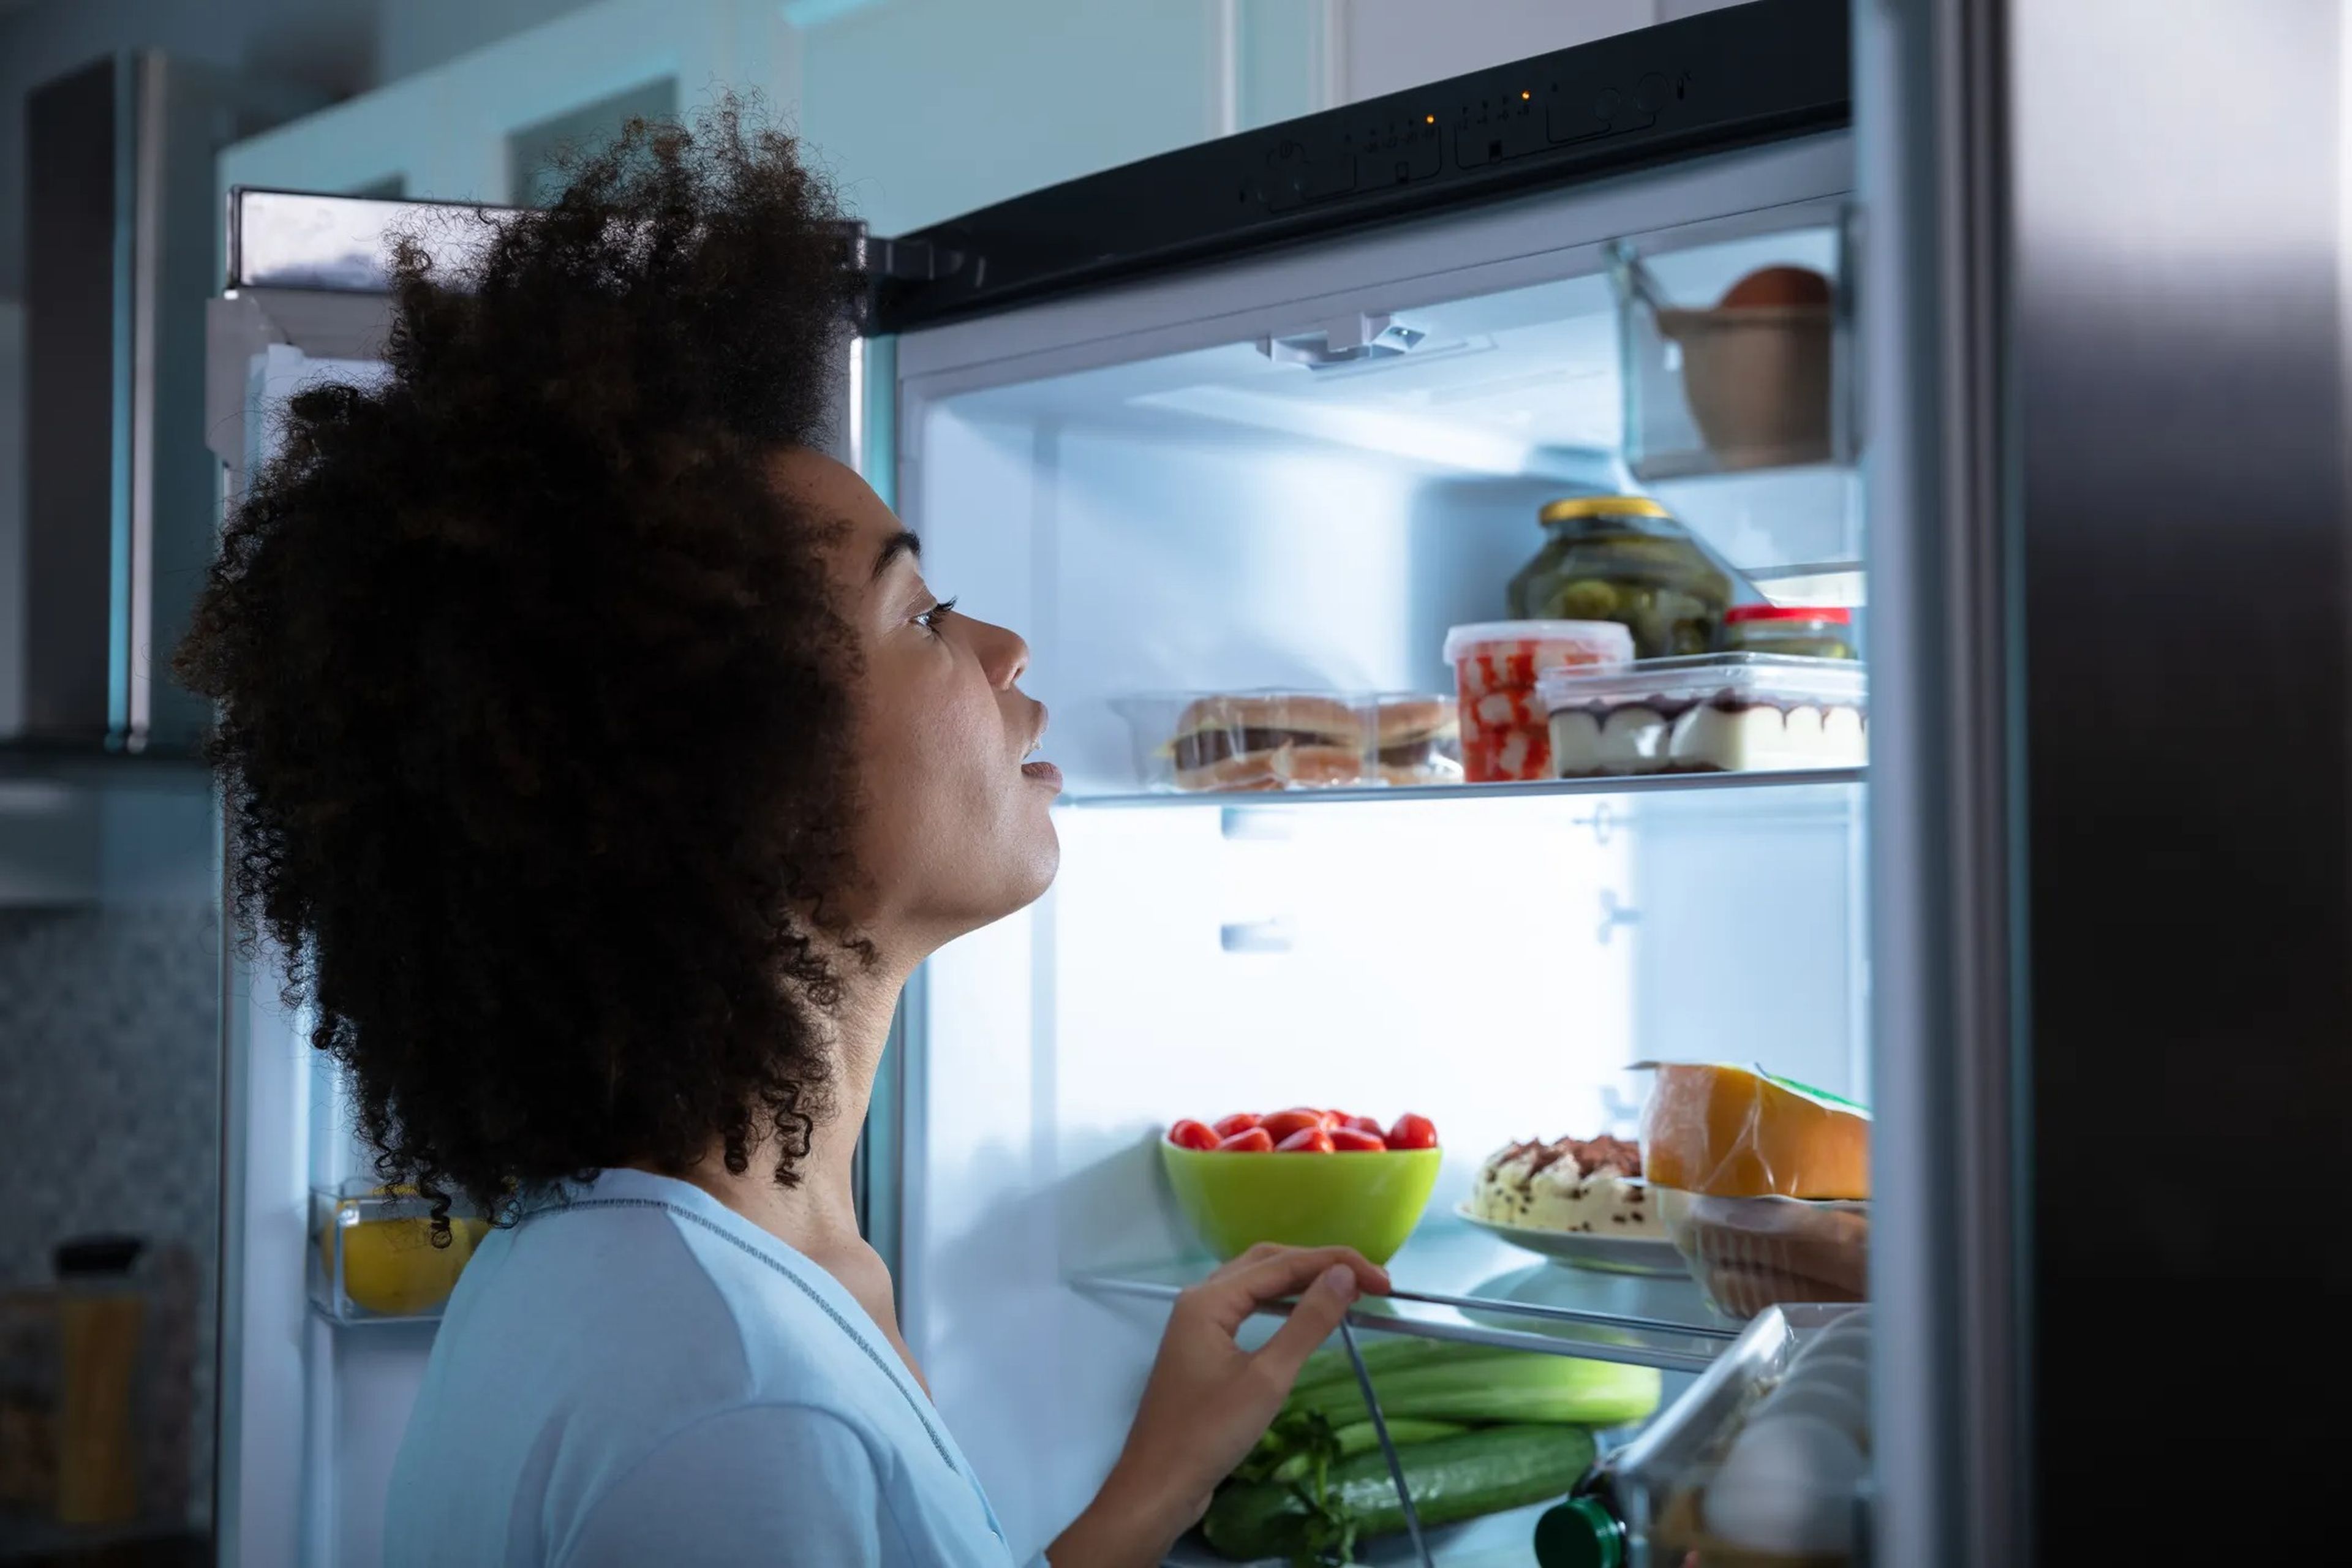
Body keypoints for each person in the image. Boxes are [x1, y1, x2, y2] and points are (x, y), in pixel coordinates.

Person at [178, 105, 1388, 1567]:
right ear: (736, 779)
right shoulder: (733, 1403)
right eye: (920, 615)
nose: (1001, 644)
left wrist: (1157, 1486)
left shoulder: (689, 1264)